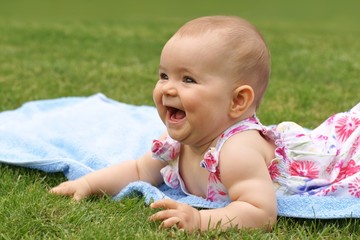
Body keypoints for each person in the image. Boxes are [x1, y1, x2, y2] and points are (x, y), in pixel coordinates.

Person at [50, 15, 360, 232]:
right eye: (163, 75)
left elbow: (260, 212)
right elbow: (138, 171)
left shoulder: (237, 151)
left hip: (328, 161)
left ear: (237, 101)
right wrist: (88, 184)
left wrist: (201, 222)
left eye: (188, 79)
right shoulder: (177, 142)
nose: (168, 88)